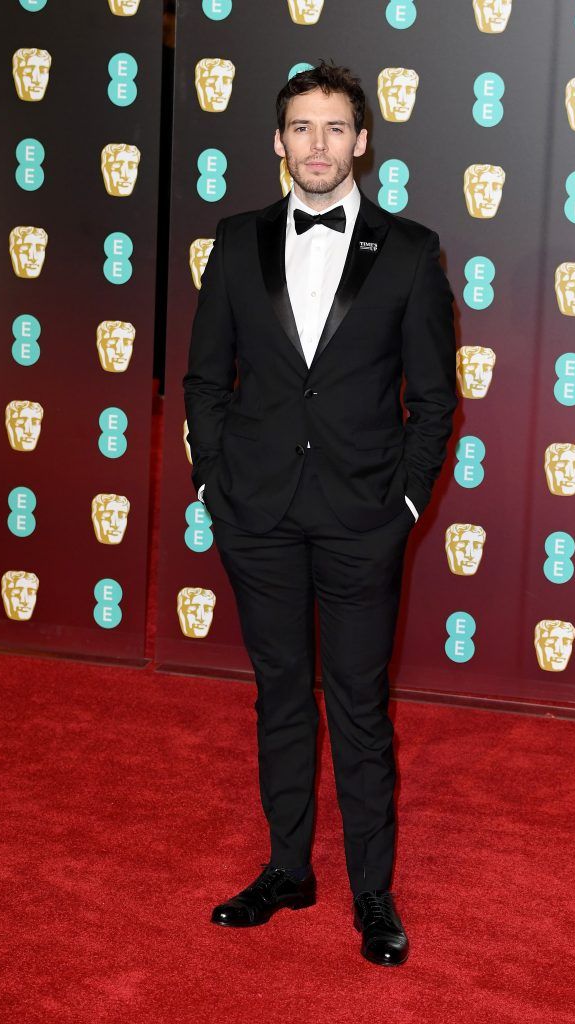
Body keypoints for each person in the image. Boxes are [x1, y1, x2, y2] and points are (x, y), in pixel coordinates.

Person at [183, 61, 457, 967]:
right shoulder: (233, 242)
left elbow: (434, 396)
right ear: (276, 140)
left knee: (358, 705)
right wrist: (214, 488)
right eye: (301, 127)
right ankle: (288, 868)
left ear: (362, 141)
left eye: (335, 128)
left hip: (360, 517)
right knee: (278, 696)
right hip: (255, 513)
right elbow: (201, 379)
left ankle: (372, 893)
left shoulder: (411, 251)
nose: (317, 146)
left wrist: (406, 503)